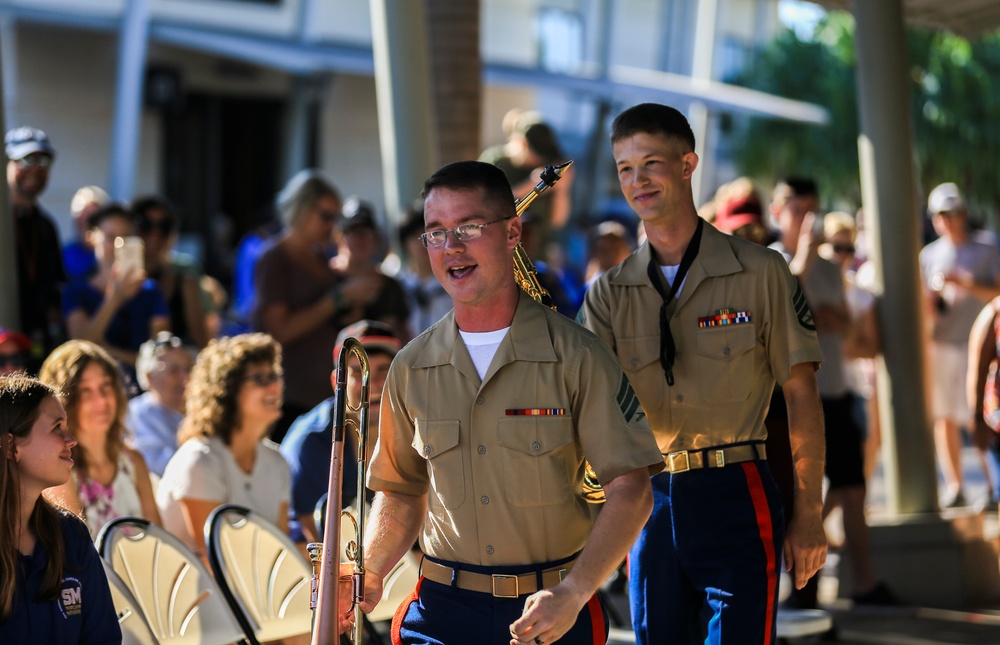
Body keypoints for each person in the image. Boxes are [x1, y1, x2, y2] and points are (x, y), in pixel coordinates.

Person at [343, 160, 662, 645]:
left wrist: (575, 591)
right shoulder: (409, 367)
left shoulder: (578, 355)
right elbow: (401, 490)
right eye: (435, 232)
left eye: (469, 227)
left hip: (552, 613)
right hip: (441, 614)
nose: (451, 247)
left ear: (513, 232)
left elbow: (632, 488)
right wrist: (371, 568)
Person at [577, 103, 827, 644]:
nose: (637, 181)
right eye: (624, 168)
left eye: (651, 163)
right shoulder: (607, 294)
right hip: (649, 497)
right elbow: (584, 411)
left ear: (688, 164)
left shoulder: (761, 272)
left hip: (736, 489)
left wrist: (810, 513)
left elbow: (802, 394)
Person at [769, 181, 896, 608]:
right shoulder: (771, 262)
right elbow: (778, 305)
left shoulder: (828, 267)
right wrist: (802, 257)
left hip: (837, 392)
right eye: (796, 208)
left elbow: (850, 325)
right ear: (777, 209)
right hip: (795, 401)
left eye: (812, 209)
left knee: (853, 490)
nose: (806, 219)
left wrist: (837, 319)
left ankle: (863, 583)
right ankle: (800, 594)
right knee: (798, 496)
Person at [254, 170, 381, 443]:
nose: (332, 226)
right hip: (289, 396)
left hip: (327, 395)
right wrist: (337, 298)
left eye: (336, 218)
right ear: (300, 210)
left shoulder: (320, 257)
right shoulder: (275, 258)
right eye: (326, 216)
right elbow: (278, 332)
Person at [0, 375, 121, 643]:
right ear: (11, 446)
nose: (71, 439)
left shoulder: (71, 535)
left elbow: (104, 639)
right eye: (56, 427)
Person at [156, 333, 291, 563]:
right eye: (260, 378)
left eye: (275, 375)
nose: (274, 385)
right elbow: (217, 560)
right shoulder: (198, 461)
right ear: (226, 390)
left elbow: (281, 551)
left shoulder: (276, 460)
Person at [280, 320, 402, 544]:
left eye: (383, 372)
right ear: (337, 382)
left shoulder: (415, 430)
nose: (372, 384)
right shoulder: (312, 440)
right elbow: (317, 540)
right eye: (358, 373)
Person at [919, 182, 1000, 508]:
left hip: (980, 344)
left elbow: (996, 296)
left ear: (963, 213)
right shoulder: (929, 254)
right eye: (940, 214)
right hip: (943, 343)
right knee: (945, 417)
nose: (946, 220)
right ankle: (956, 485)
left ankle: (993, 485)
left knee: (979, 414)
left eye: (951, 213)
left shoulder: (987, 248)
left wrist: (964, 282)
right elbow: (926, 305)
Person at [40, 340, 162, 539]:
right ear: (62, 401)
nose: (101, 400)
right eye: (86, 390)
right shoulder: (58, 472)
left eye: (106, 386)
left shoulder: (134, 462)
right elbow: (77, 553)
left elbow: (161, 543)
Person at [62, 203, 171, 373]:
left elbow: (161, 358)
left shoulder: (151, 291)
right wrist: (114, 298)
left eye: (125, 237)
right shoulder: (76, 291)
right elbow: (79, 344)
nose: (117, 245)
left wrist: (107, 350)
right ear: (92, 238)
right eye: (110, 236)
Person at [5, 126, 66, 373]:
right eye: (25, 160)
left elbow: (55, 287)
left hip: (35, 344)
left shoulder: (46, 226)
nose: (35, 169)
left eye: (44, 161)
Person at [479, 110, 574, 261]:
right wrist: (531, 186)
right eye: (538, 154)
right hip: (500, 253)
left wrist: (562, 190)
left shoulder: (547, 166)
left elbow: (557, 222)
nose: (542, 159)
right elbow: (485, 206)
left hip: (536, 257)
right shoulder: (496, 161)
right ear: (522, 144)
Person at [131, 196, 211, 349]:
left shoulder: (185, 281)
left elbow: (203, 344)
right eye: (146, 225)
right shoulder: (110, 282)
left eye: (164, 227)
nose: (155, 234)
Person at [332, 197, 411, 340]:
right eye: (354, 232)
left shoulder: (390, 286)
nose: (361, 239)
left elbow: (402, 335)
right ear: (339, 237)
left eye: (366, 232)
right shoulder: (325, 278)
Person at [125, 332, 195, 477]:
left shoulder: (200, 410)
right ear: (149, 377)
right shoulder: (136, 414)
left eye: (188, 369)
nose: (185, 378)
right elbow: (161, 467)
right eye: (174, 371)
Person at [396, 204, 453, 337]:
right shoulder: (397, 286)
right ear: (405, 242)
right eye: (415, 237)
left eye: (430, 236)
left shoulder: (453, 281)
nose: (423, 243)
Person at [62, 185, 109, 281]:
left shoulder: (113, 254)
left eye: (94, 219)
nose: (87, 223)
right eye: (82, 216)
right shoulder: (64, 255)